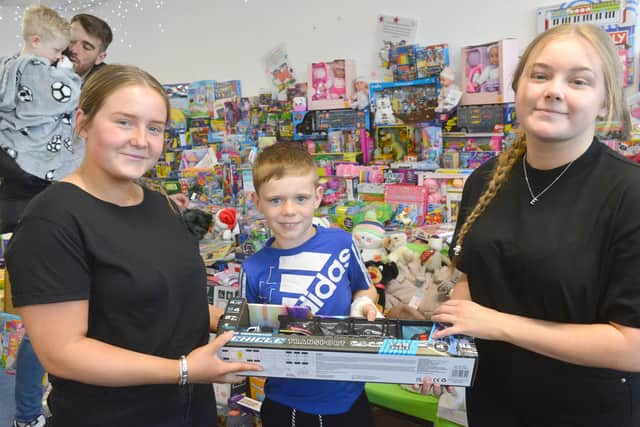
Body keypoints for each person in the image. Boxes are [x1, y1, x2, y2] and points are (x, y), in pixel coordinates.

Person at [5, 64, 261, 427]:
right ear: (83, 121)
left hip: (191, 412)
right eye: (124, 122)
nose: (141, 140)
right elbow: (63, 353)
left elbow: (165, 303)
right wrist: (184, 370)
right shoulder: (52, 220)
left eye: (154, 128)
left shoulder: (159, 204)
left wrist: (243, 322)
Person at [423, 24, 640, 427]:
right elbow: (473, 277)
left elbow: (633, 346)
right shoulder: (485, 180)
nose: (553, 90)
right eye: (540, 75)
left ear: (605, 101)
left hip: (587, 411)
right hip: (493, 401)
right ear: (518, 85)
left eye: (578, 81)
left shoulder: (629, 194)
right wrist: (444, 347)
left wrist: (501, 326)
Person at [240, 141, 380, 427]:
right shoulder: (252, 268)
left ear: (318, 197)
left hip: (350, 393)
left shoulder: (341, 242)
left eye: (300, 198)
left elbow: (365, 288)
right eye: (275, 200)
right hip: (288, 404)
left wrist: (363, 304)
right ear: (257, 202)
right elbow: (245, 335)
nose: (289, 210)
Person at [0, 6, 82, 426]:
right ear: (36, 43)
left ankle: (29, 411)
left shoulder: (7, 67)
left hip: (19, 188)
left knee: (40, 325)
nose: (59, 58)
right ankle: (29, 412)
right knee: (42, 325)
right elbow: (62, 96)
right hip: (34, 174)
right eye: (57, 50)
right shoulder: (35, 68)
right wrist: (68, 72)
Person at [65, 13, 112, 81]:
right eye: (71, 40)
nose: (73, 50)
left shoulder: (109, 89)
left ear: (100, 58)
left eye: (86, 47)